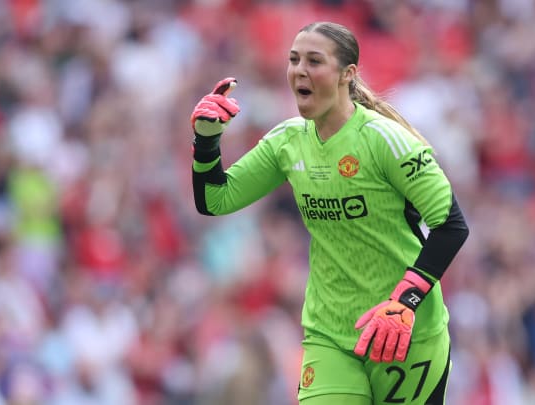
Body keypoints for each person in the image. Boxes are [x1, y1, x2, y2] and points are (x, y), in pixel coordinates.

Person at [190, 21, 469, 405]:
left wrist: (404, 301)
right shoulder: (286, 142)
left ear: (347, 75)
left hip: (405, 333)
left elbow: (451, 225)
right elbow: (215, 200)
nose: (299, 70)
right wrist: (206, 143)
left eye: (314, 61)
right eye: (293, 60)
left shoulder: (385, 140)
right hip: (330, 335)